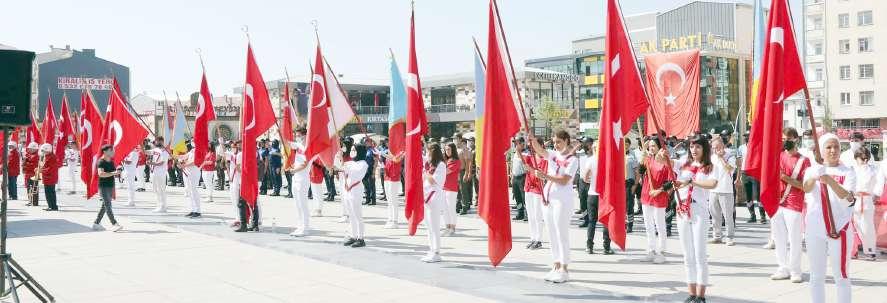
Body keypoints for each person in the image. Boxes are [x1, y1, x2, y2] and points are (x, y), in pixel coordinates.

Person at [803, 133, 855, 303]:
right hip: (815, 228)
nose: (833, 150)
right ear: (821, 150)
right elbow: (806, 189)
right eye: (828, 147)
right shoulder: (812, 169)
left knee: (841, 275)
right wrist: (813, 176)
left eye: (836, 147)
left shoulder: (848, 171)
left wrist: (829, 181)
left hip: (839, 229)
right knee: (816, 275)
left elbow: (848, 198)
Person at [673, 133, 720, 303]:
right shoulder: (684, 164)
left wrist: (692, 182)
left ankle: (701, 295)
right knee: (687, 255)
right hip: (682, 210)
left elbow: (712, 184)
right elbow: (664, 161)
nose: (694, 150)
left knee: (700, 254)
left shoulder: (709, 166)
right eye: (692, 146)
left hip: (699, 210)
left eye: (698, 146)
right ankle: (691, 293)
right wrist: (660, 154)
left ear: (704, 148)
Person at [528, 130, 578, 284]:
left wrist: (545, 176)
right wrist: (532, 138)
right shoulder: (553, 154)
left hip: (562, 200)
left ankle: (564, 268)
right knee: (551, 233)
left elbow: (564, 180)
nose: (556, 145)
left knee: (561, 233)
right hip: (548, 199)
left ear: (567, 141)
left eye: (559, 142)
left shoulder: (572, 160)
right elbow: (540, 150)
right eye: (554, 142)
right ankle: (556, 265)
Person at [769, 127, 810, 283]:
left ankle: (795, 270)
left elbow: (805, 186)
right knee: (778, 237)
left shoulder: (803, 161)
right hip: (776, 202)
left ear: (795, 139)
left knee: (795, 238)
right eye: (783, 138)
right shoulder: (777, 156)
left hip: (794, 202)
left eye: (788, 138)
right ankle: (782, 268)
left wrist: (786, 178)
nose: (785, 141)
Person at [639, 136, 673, 264]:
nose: (652, 148)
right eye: (650, 146)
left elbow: (670, 182)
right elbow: (641, 171)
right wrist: (642, 159)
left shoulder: (666, 161)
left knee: (660, 225)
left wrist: (658, 191)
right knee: (648, 225)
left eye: (654, 146)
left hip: (659, 196)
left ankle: (661, 252)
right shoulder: (648, 159)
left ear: (660, 147)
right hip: (646, 195)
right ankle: (651, 249)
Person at [581, 139, 614, 255]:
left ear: (593, 148)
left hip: (592, 194)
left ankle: (589, 246)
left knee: (591, 222)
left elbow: (584, 178)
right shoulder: (607, 160)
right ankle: (606, 247)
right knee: (606, 222)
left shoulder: (590, 160)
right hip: (604, 196)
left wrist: (591, 181)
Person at [708, 136, 737, 246]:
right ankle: (717, 236)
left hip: (726, 190)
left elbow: (729, 169)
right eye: (714, 147)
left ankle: (729, 237)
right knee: (715, 215)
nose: (715, 150)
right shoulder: (711, 157)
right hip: (713, 190)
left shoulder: (730, 156)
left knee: (728, 215)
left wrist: (721, 158)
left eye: (717, 147)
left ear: (723, 145)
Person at [339, 143, 368, 248]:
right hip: (347, 191)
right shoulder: (350, 163)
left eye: (354, 150)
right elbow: (340, 168)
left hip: (356, 191)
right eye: (351, 150)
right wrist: (340, 157)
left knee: (357, 215)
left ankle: (361, 238)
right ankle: (353, 236)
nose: (352, 152)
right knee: (351, 215)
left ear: (359, 151)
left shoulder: (363, 163)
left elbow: (355, 172)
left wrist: (344, 165)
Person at [421, 143, 447, 262]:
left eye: (429, 151)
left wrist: (425, 173)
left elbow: (434, 181)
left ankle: (437, 252)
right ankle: (431, 249)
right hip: (427, 197)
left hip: (434, 197)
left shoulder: (441, 165)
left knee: (435, 226)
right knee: (428, 226)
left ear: (434, 152)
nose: (427, 154)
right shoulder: (431, 165)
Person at [851, 148, 878, 261]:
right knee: (855, 226)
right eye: (861, 158)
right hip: (854, 200)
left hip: (866, 200)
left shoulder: (873, 170)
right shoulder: (853, 170)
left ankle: (870, 251)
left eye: (865, 158)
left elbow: (877, 185)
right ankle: (854, 250)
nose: (863, 160)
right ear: (856, 158)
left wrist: (876, 195)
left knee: (867, 227)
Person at [523, 137, 547, 250]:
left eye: (535, 145)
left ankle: (539, 239)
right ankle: (533, 238)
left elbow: (542, 175)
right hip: (528, 188)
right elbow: (524, 165)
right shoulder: (530, 157)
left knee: (538, 216)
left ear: (541, 145)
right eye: (531, 145)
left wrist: (531, 170)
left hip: (538, 190)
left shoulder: (545, 159)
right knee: (531, 215)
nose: (532, 147)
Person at [93, 144, 123, 232]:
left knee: (105, 205)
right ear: (105, 152)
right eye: (111, 150)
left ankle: (96, 223)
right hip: (103, 186)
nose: (113, 152)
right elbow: (101, 174)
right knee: (108, 205)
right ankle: (114, 223)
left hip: (110, 185)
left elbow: (113, 172)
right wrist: (114, 173)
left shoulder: (111, 161)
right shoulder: (101, 162)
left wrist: (118, 171)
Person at [288, 136, 311, 237]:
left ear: (306, 136)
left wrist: (294, 170)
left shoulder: (309, 148)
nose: (298, 138)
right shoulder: (298, 145)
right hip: (296, 178)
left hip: (303, 179)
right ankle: (299, 226)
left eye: (300, 136)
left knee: (303, 204)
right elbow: (287, 143)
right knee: (297, 204)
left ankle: (305, 228)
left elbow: (305, 164)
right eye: (297, 136)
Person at [442, 143, 460, 236]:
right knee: (445, 209)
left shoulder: (455, 161)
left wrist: (437, 170)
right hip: (444, 187)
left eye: (449, 149)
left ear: (453, 150)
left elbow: (447, 171)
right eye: (445, 150)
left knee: (451, 208)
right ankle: (447, 227)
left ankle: (452, 228)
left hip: (451, 188)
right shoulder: (445, 160)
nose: (447, 151)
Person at [382, 148, 403, 228]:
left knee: (393, 201)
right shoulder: (389, 153)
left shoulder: (400, 152)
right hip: (387, 178)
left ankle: (395, 221)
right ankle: (390, 219)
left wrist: (387, 155)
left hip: (394, 179)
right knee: (389, 200)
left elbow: (396, 160)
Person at [179, 144, 201, 218]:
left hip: (194, 173)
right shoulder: (191, 151)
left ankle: (198, 211)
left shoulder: (198, 151)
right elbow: (184, 157)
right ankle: (193, 209)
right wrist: (179, 159)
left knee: (194, 191)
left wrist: (184, 165)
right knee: (189, 191)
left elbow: (195, 162)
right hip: (188, 173)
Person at [148, 138, 170, 213]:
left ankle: (163, 206)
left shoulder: (165, 151)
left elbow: (162, 163)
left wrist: (151, 163)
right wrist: (141, 144)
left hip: (161, 173)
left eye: (157, 141)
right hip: (154, 171)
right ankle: (159, 205)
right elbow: (146, 152)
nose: (155, 142)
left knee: (161, 189)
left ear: (161, 142)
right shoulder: (155, 150)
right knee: (155, 189)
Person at [575, 138, 593, 227]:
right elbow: (571, 153)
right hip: (582, 180)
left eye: (583, 142)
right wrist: (578, 145)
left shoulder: (595, 153)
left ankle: (592, 219)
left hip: (592, 181)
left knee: (591, 202)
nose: (582, 144)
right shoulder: (580, 152)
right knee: (583, 201)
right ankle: (586, 219)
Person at [228, 141, 244, 229]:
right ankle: (237, 218)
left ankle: (239, 219)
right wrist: (221, 143)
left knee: (238, 201)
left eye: (234, 146)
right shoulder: (232, 155)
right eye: (231, 147)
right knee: (233, 200)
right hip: (233, 181)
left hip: (238, 181)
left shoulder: (239, 155)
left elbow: (238, 168)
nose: (232, 148)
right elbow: (223, 153)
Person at [625, 138, 640, 233]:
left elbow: (637, 172)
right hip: (619, 183)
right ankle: (623, 223)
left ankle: (630, 225)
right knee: (621, 205)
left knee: (629, 205)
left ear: (629, 145)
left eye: (626, 144)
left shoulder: (632, 156)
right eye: (623, 144)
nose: (625, 146)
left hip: (629, 183)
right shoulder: (617, 154)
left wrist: (635, 184)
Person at [510, 137, 527, 221]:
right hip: (515, 178)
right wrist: (512, 176)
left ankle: (527, 214)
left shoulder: (526, 152)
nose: (515, 145)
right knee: (517, 197)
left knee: (524, 197)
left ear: (522, 144)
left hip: (522, 177)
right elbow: (513, 165)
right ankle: (520, 213)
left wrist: (519, 151)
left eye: (517, 143)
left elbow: (524, 162)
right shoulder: (515, 153)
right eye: (515, 143)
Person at [40, 144, 59, 211]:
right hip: (47, 177)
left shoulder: (52, 157)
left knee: (50, 192)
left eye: (44, 151)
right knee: (48, 192)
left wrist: (41, 170)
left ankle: (53, 206)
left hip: (50, 177)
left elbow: (50, 168)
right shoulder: (47, 156)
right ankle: (50, 205)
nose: (43, 152)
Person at [457, 138, 474, 215]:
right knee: (459, 190)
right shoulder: (459, 150)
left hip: (463, 171)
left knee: (463, 190)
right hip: (458, 172)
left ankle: (464, 207)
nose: (459, 144)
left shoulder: (466, 151)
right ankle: (459, 205)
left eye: (461, 143)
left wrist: (467, 173)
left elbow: (468, 163)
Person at [362, 138, 377, 206]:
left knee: (372, 186)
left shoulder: (372, 150)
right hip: (365, 170)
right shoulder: (365, 150)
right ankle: (367, 199)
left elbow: (376, 161)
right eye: (365, 142)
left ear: (370, 142)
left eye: (367, 141)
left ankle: (373, 200)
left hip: (371, 169)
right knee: (366, 186)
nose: (365, 143)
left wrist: (374, 172)